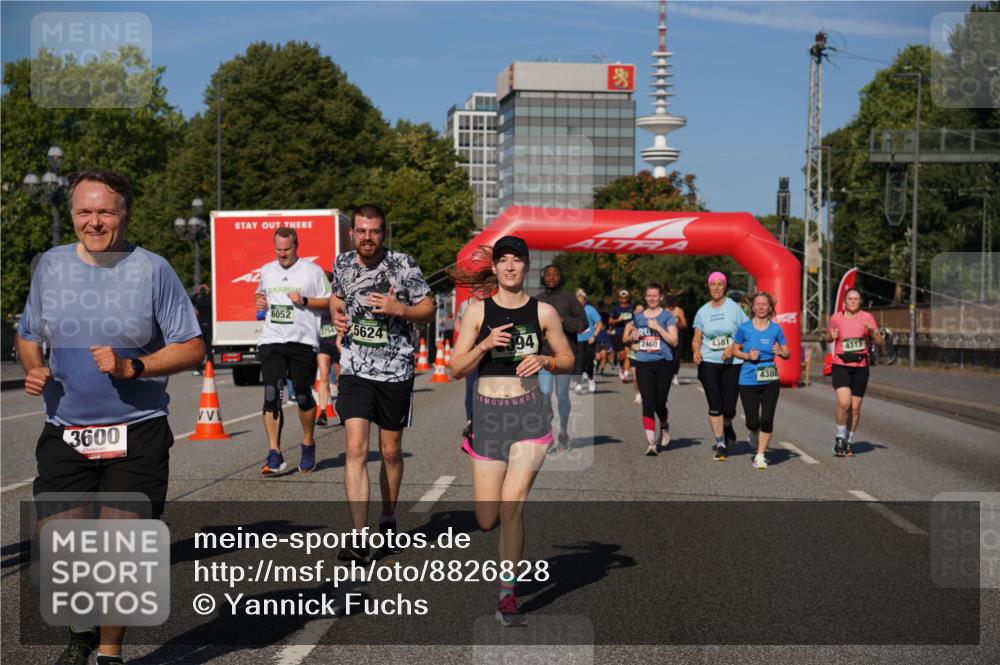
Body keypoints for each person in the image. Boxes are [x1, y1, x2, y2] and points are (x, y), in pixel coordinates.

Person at [16, 170, 204, 665]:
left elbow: (192, 347)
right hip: (66, 430)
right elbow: (28, 331)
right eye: (84, 211)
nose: (94, 221)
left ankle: (108, 652)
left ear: (125, 214)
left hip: (137, 427)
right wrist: (34, 367)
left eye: (105, 211)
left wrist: (133, 366)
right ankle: (82, 627)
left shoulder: (152, 270)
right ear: (73, 214)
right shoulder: (51, 267)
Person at [448, 236, 574, 626]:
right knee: (488, 518)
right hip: (488, 415)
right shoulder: (477, 312)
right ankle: (507, 559)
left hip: (529, 414)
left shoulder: (544, 313)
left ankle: (508, 594)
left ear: (526, 266)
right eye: (502, 260)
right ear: (496, 268)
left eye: (516, 260)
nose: (509, 266)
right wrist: (485, 343)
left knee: (511, 504)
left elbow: (568, 358)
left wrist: (545, 359)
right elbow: (455, 368)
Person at [330, 204, 434, 562]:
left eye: (374, 231)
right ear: (352, 233)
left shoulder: (403, 265)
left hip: (395, 370)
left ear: (383, 234)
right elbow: (337, 296)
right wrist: (336, 315)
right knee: (355, 447)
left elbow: (428, 307)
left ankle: (388, 519)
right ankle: (359, 537)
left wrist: (399, 309)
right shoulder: (342, 264)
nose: (367, 237)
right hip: (356, 368)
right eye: (361, 231)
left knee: (390, 452)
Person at [254, 228, 331, 476]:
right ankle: (274, 453)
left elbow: (330, 301)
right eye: (278, 249)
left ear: (296, 246)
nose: (282, 254)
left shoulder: (312, 271)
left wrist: (305, 301)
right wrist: (259, 300)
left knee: (303, 396)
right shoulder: (267, 270)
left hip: (303, 340)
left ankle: (308, 444)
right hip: (272, 339)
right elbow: (261, 292)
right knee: (270, 393)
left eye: (286, 249)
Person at [692, 271, 748, 461]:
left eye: (719, 284)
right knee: (715, 404)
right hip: (709, 362)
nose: (716, 287)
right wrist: (695, 351)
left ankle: (727, 424)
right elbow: (697, 337)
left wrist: (733, 347)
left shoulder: (735, 309)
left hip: (733, 363)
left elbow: (746, 332)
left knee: (729, 407)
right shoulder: (702, 311)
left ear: (725, 286)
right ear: (708, 287)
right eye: (712, 284)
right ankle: (720, 442)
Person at [732, 292, 790, 469]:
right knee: (752, 421)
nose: (761, 307)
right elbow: (734, 350)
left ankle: (760, 455)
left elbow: (787, 353)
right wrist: (747, 355)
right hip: (748, 377)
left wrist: (781, 352)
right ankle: (753, 432)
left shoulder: (776, 329)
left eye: (764, 304)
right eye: (758, 304)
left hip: (769, 376)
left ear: (770, 308)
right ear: (753, 307)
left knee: (767, 419)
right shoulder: (744, 328)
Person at [825, 287, 885, 457]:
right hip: (841, 365)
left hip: (861, 367)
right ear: (844, 301)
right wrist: (831, 335)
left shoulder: (867, 317)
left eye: (856, 299)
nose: (852, 301)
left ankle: (849, 440)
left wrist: (873, 332)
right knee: (844, 403)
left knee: (856, 408)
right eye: (850, 298)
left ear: (860, 302)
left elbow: (880, 342)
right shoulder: (836, 318)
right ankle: (839, 436)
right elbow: (827, 338)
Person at [535, 264, 588, 453]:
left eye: (555, 274)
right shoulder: (537, 300)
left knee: (562, 395)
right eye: (548, 274)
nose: (551, 277)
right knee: (545, 394)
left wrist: (564, 321)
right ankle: (547, 433)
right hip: (544, 356)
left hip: (564, 356)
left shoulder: (570, 299)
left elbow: (583, 323)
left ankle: (563, 431)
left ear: (561, 278)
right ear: (543, 278)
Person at [623, 284, 679, 456]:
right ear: (645, 297)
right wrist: (633, 337)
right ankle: (651, 443)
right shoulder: (638, 317)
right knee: (648, 404)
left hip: (664, 363)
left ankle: (664, 424)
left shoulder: (668, 316)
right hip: (644, 362)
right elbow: (631, 338)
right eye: (649, 296)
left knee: (660, 403)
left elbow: (674, 341)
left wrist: (658, 328)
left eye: (655, 295)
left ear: (661, 297)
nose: (652, 298)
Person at [456, 292, 484, 439]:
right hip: (471, 352)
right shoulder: (465, 305)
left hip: (487, 352)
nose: (481, 290)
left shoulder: (492, 303)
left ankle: (484, 421)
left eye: (485, 287)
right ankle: (471, 421)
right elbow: (457, 324)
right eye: (478, 286)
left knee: (485, 388)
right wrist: (466, 335)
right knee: (471, 387)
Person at [316, 271, 340, 427]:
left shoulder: (338, 296)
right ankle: (323, 413)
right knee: (324, 376)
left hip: (339, 341)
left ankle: (345, 410)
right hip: (323, 342)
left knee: (341, 378)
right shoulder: (317, 298)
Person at [574, 288, 603, 394]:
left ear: (585, 300)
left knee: (589, 362)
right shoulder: (572, 310)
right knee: (579, 362)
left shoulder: (590, 310)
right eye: (578, 299)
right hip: (577, 340)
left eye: (582, 299)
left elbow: (600, 324)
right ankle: (578, 384)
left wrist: (594, 336)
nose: (580, 301)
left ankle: (591, 380)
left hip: (589, 339)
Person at [609, 289, 634, 382]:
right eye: (621, 297)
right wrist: (617, 320)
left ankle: (626, 372)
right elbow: (610, 321)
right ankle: (622, 368)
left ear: (628, 298)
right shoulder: (615, 308)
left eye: (625, 297)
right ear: (619, 298)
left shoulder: (632, 306)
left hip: (630, 333)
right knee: (621, 355)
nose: (623, 299)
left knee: (627, 353)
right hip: (619, 333)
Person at [664, 291, 687, 386]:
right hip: (667, 337)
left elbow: (685, 324)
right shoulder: (664, 311)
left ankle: (675, 375)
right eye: (669, 303)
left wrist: (678, 324)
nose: (671, 306)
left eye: (672, 303)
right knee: (667, 357)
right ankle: (667, 375)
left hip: (678, 337)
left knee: (676, 358)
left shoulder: (679, 311)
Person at [190, 283, 213, 374]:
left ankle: (199, 368)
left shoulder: (198, 301)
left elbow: (191, 299)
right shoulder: (210, 300)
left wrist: (197, 292)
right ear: (207, 292)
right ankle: (210, 366)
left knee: (200, 348)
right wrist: (209, 292)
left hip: (200, 326)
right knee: (209, 348)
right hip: (210, 326)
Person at [628, 304, 644, 404]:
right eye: (638, 310)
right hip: (634, 352)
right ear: (634, 312)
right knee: (635, 377)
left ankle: (647, 394)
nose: (640, 312)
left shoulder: (650, 322)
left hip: (647, 353)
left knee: (648, 376)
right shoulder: (630, 324)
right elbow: (624, 338)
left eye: (642, 310)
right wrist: (633, 336)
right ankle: (638, 393)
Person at [594, 300, 612, 376]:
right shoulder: (594, 315)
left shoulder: (606, 314)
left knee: (604, 356)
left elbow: (610, 324)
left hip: (605, 338)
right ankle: (597, 364)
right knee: (598, 357)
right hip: (596, 338)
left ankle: (602, 371)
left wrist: (610, 329)